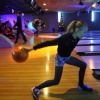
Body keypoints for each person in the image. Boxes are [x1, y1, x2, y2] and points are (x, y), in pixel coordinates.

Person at [24, 20, 93, 99]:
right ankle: (36, 88)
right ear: (77, 30)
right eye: (84, 32)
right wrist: (32, 48)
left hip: (67, 57)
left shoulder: (77, 37)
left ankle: (81, 85)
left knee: (83, 65)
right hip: (60, 59)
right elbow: (48, 43)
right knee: (56, 81)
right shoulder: (65, 38)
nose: (85, 34)